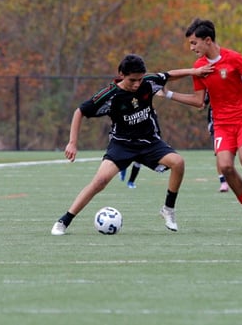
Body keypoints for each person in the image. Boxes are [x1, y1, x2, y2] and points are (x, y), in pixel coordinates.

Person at [50, 54, 212, 235]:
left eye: (140, 79)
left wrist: (194, 71)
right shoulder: (110, 95)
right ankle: (64, 221)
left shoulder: (149, 82)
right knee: (99, 182)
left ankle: (168, 209)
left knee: (178, 163)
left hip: (149, 142)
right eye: (132, 80)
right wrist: (72, 143)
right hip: (122, 145)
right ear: (121, 74)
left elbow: (169, 75)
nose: (137, 84)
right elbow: (79, 111)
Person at [165, 18, 242, 234]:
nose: (192, 48)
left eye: (194, 43)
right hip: (221, 123)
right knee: (226, 167)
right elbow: (199, 101)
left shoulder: (234, 58)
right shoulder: (199, 67)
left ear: (208, 40)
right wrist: (168, 94)